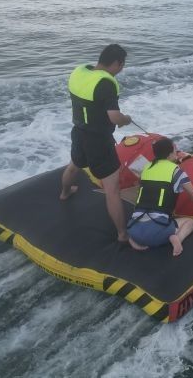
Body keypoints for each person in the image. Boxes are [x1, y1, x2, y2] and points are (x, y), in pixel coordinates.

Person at [60, 44, 132, 243]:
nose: (121, 70)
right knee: (112, 188)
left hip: (79, 132)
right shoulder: (106, 83)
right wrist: (125, 119)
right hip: (99, 141)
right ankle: (122, 234)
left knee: (74, 165)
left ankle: (65, 193)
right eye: (122, 65)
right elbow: (114, 117)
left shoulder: (80, 72)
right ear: (117, 63)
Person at [127, 137, 193, 256]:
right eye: (175, 149)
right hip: (157, 231)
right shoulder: (177, 172)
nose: (176, 151)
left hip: (133, 228)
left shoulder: (146, 168)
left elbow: (142, 185)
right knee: (190, 223)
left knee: (138, 235)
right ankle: (176, 238)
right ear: (170, 154)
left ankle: (137, 242)